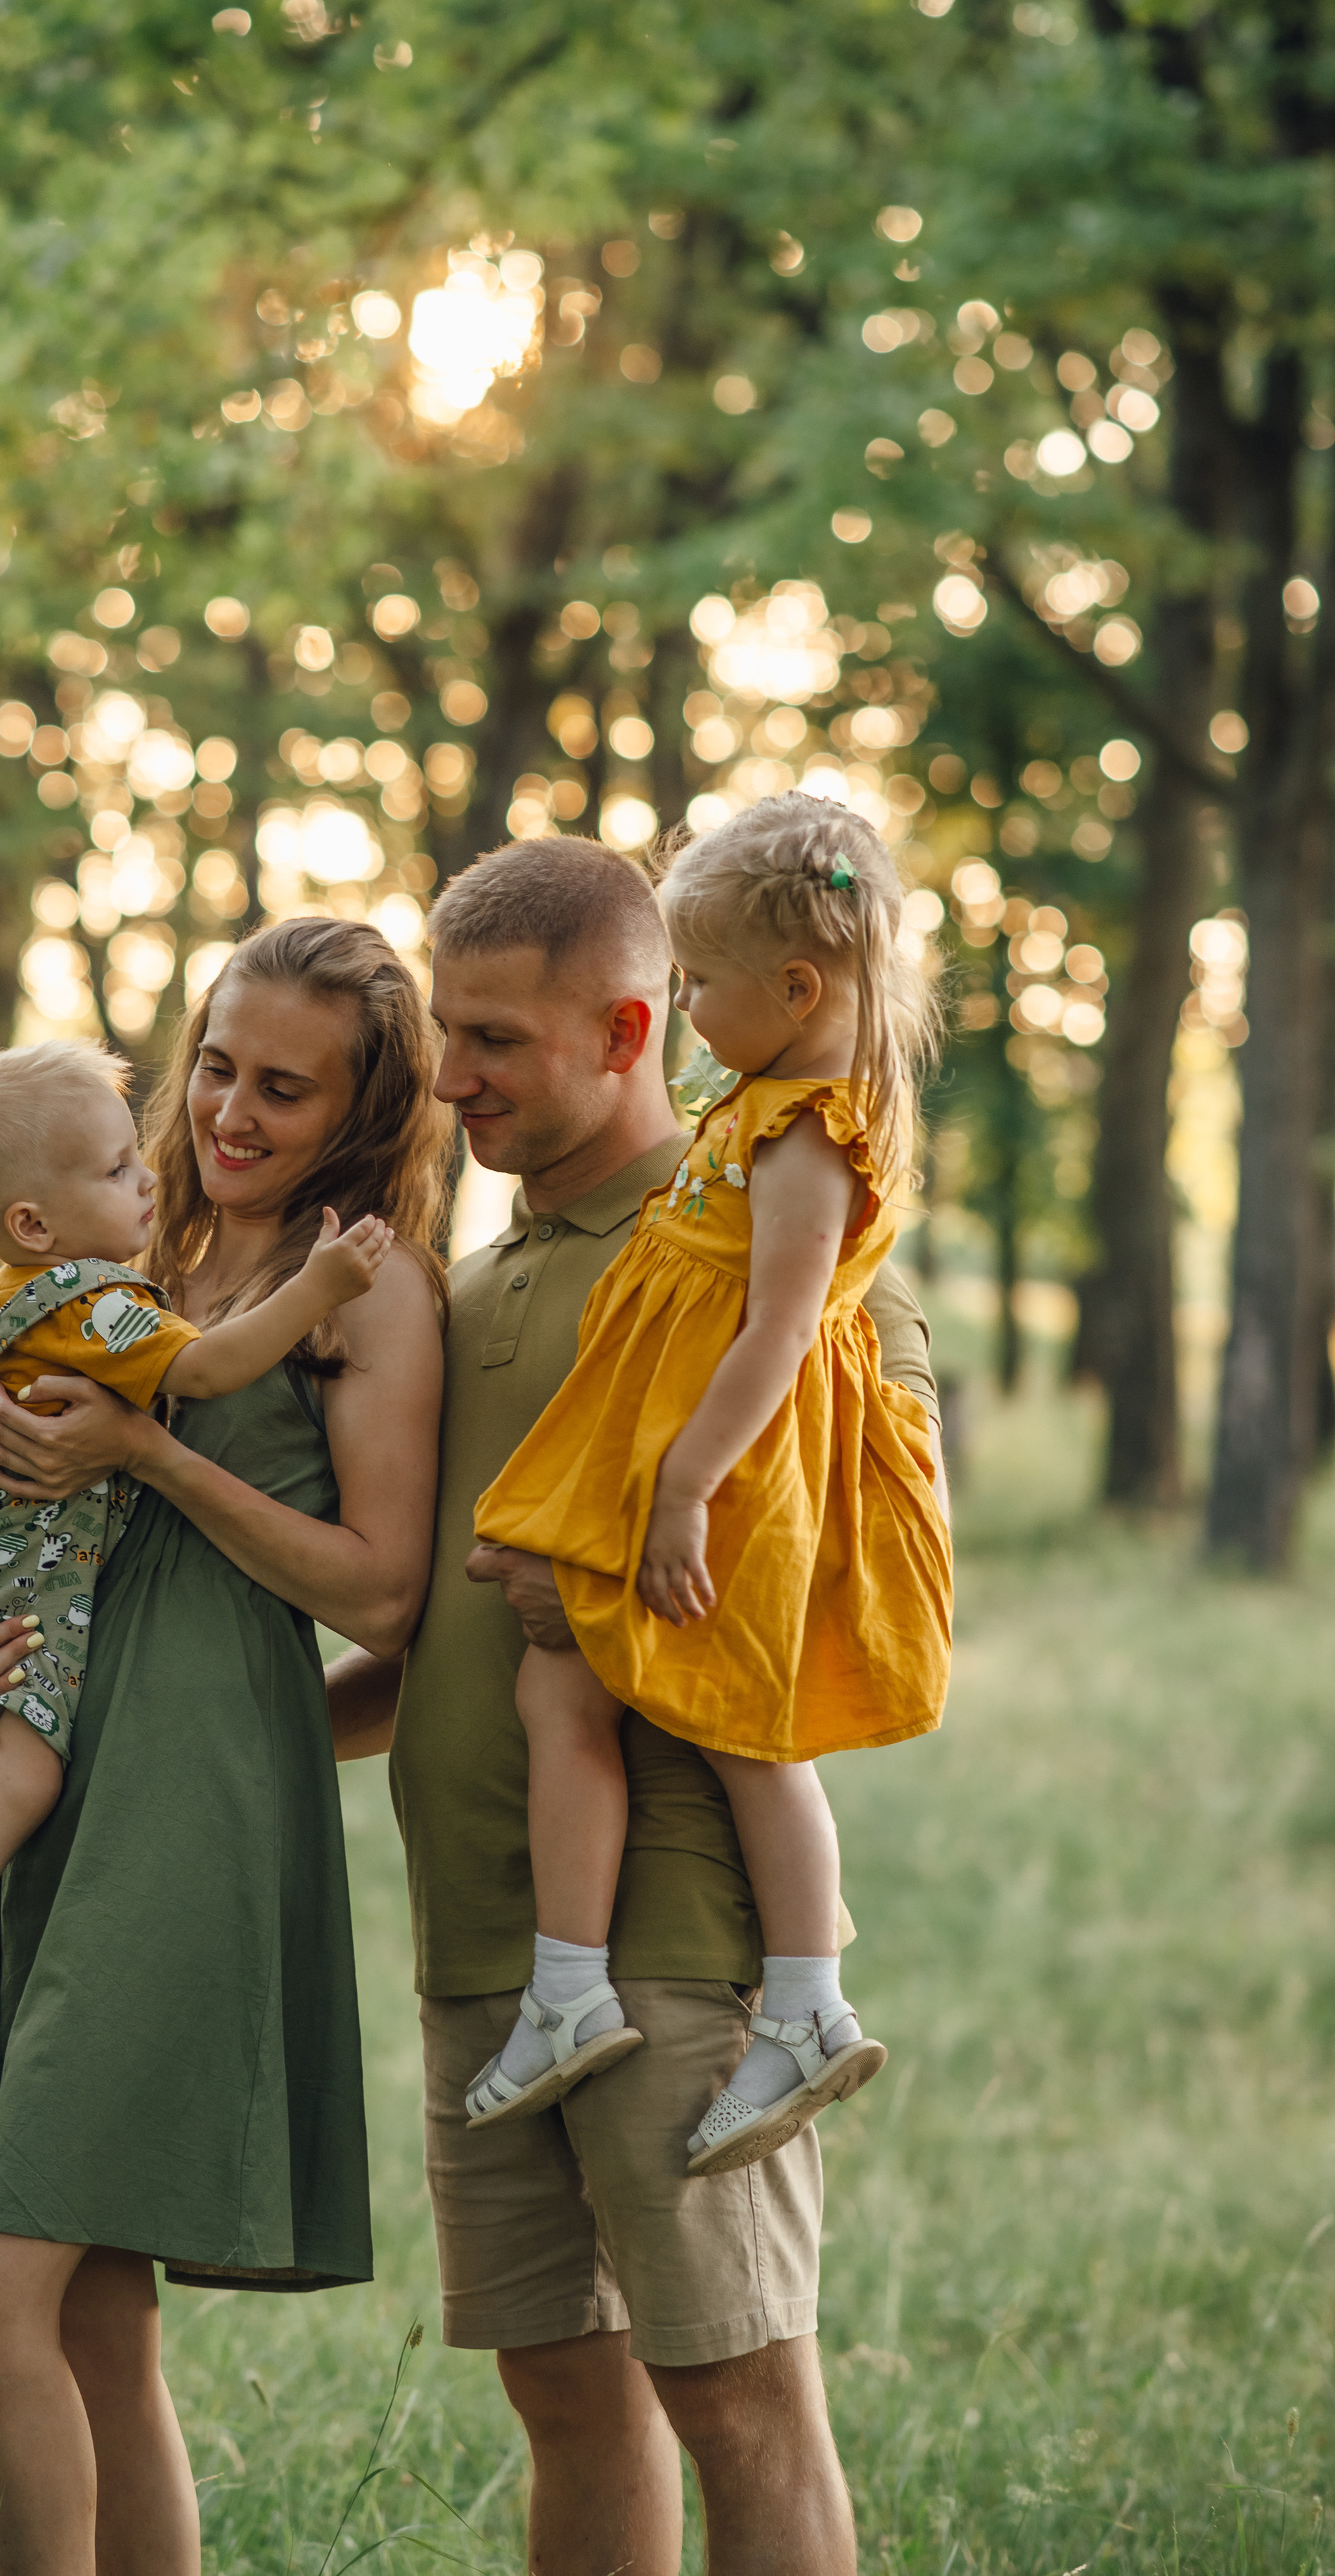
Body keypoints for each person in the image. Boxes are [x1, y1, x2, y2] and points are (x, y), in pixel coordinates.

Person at [333, 832, 947, 2576]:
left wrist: (605, 1595)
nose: (450, 1082)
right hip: (490, 1954)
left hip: (678, 1941)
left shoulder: (775, 1260)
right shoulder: (459, 1298)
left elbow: (846, 1589)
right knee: (561, 2386)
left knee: (739, 2398)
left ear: (631, 1030)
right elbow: (433, 1633)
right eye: (446, 1034)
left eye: (496, 1044)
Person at [0, 920, 448, 2576]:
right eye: (212, 1066)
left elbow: (387, 1596)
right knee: (93, 2332)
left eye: (282, 1086)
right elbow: (5, 1507)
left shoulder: (367, 1288)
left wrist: (152, 1453)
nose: (228, 1112)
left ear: (358, 1109)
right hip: (44, 1779)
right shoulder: (115, 1251)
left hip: (186, 1812)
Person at [462, 800, 952, 2178]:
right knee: (555, 1684)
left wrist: (681, 1487)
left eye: (695, 983)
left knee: (748, 1729)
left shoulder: (809, 1131)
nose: (679, 1008)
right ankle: (568, 1987)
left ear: (793, 990)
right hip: (660, 1462)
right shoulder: (744, 1111)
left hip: (728, 1477)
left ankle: (803, 2003)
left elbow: (780, 1330)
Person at [0, 1037, 394, 2118]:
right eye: (111, 1170)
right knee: (25, 1772)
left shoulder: (11, 1294)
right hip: (22, 1571)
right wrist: (316, 1287)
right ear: (32, 1223)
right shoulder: (90, 1302)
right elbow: (207, 1366)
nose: (146, 1174)